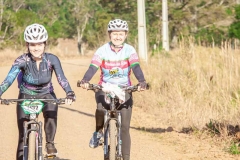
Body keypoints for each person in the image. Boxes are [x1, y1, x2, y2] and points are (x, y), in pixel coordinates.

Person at [0, 23, 76, 160]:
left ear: (45, 44)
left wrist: (69, 92)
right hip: (26, 95)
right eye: (32, 44)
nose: (36, 48)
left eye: (39, 44)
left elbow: (61, 78)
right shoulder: (21, 60)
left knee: (52, 110)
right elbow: (8, 79)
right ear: (27, 45)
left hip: (47, 94)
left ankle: (50, 144)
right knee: (23, 137)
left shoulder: (52, 59)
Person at [78, 19, 147, 160]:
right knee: (101, 109)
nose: (118, 37)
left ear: (126, 35)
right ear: (109, 34)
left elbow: (136, 67)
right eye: (115, 34)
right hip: (105, 87)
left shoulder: (130, 50)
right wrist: (85, 80)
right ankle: (98, 131)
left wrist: (142, 81)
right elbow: (93, 68)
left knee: (125, 128)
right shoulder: (102, 50)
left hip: (124, 89)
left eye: (121, 34)